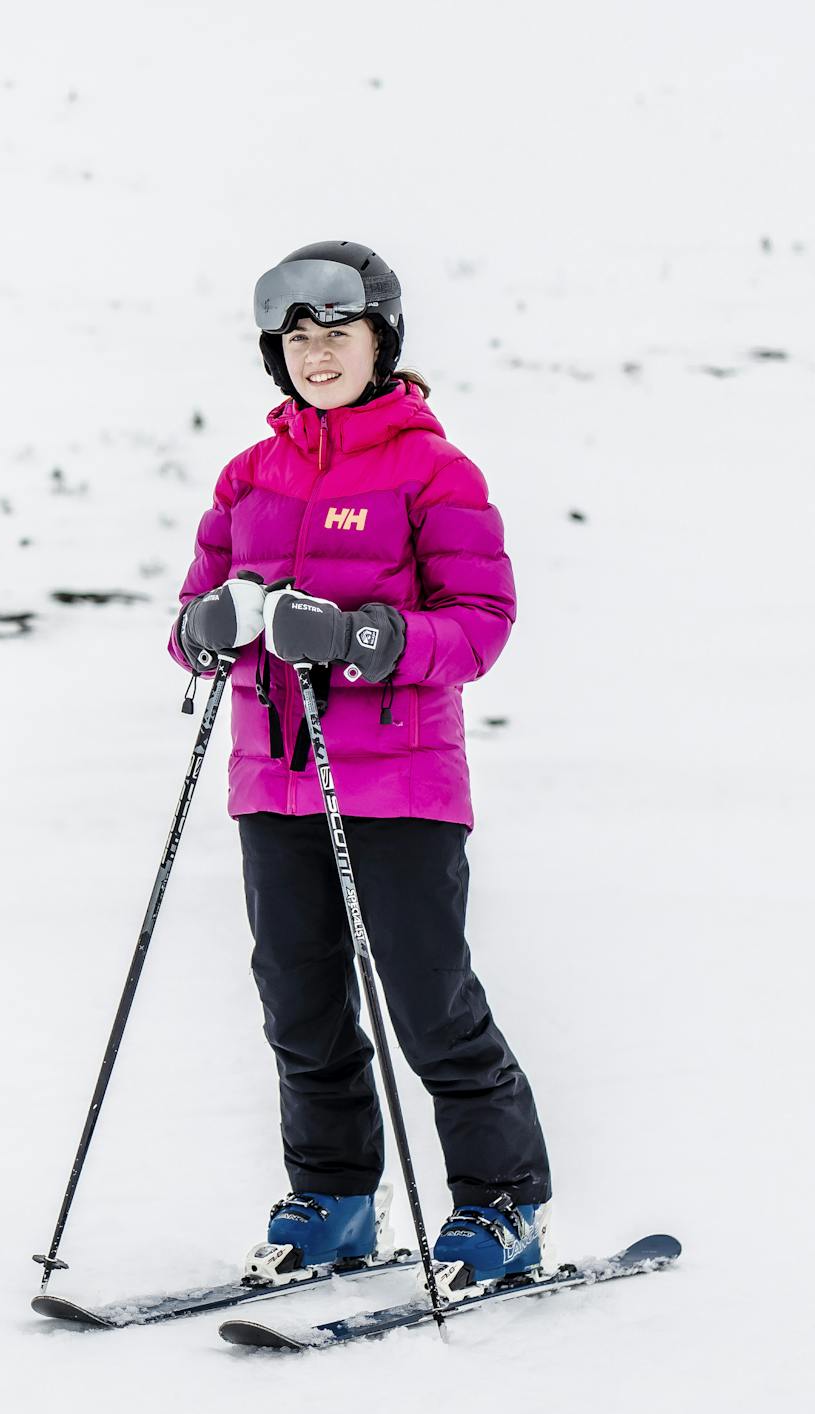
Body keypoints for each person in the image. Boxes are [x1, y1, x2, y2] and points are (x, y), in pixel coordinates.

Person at [168, 240, 551, 1293]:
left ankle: (500, 1203)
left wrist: (364, 639)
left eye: (337, 331)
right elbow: (189, 629)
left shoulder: (435, 470)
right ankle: (334, 1198)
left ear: (380, 339)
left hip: (400, 779)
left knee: (428, 999)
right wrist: (210, 625)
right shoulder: (249, 475)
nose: (317, 352)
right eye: (296, 335)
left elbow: (478, 625)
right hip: (273, 777)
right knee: (298, 997)